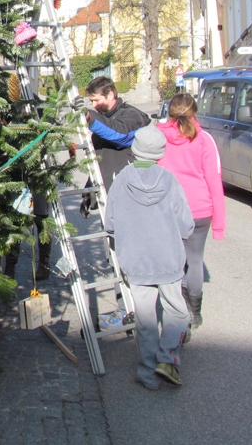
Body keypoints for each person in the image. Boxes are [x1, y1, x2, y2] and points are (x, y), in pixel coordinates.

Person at [105, 126, 194, 389]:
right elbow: (186, 224)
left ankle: (147, 374)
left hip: (136, 260)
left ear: (134, 149)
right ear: (160, 153)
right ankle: (167, 359)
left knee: (144, 318)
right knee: (176, 310)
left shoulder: (121, 180)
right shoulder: (169, 180)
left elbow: (110, 223)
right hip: (168, 258)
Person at [156, 93, 225, 336]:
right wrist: (219, 225)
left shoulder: (158, 137)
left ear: (169, 113)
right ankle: (194, 311)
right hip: (199, 208)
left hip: (166, 208)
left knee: (171, 261)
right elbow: (214, 181)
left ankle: (175, 309)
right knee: (194, 260)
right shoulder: (204, 139)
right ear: (194, 113)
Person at [71, 76, 151, 216]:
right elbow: (100, 159)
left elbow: (120, 135)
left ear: (110, 95)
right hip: (109, 196)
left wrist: (89, 116)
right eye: (91, 101)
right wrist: (89, 193)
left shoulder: (132, 116)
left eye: (97, 100)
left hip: (129, 194)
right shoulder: (104, 119)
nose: (94, 105)